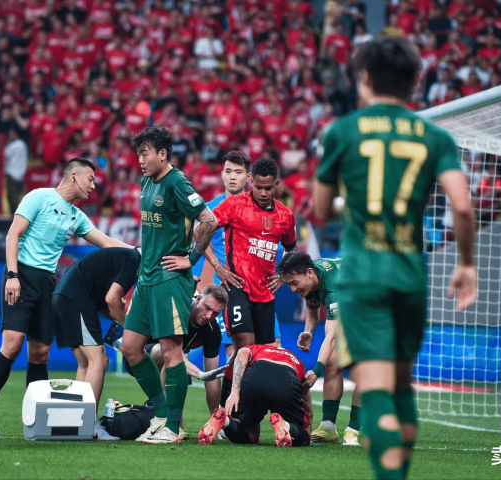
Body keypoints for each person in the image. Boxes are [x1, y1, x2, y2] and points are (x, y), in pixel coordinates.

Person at [314, 37, 477, 480]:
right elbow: (463, 207)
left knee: (374, 390)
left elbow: (321, 209)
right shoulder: (435, 136)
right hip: (410, 275)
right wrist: (466, 264)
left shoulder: (343, 131)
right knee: (402, 386)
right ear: (415, 81)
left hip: (363, 276)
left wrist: (352, 200)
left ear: (364, 78)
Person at [0, 157, 133, 436]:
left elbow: (107, 242)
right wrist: (12, 275)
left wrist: (138, 252)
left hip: (47, 282)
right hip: (20, 275)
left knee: (40, 353)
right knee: (12, 345)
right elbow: (13, 235)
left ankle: (35, 418)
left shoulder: (76, 215)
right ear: (74, 176)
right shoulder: (38, 197)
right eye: (90, 179)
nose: (93, 186)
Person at [119, 126, 218, 444]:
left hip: (169, 280)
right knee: (130, 348)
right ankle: (160, 415)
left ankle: (173, 428)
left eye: (144, 153)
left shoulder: (177, 182)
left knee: (172, 351)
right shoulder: (147, 180)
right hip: (146, 279)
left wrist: (192, 258)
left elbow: (209, 220)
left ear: (163, 154)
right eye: (138, 154)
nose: (140, 160)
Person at [194, 156, 297, 408]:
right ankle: (229, 411)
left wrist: (283, 276)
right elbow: (200, 231)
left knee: (264, 355)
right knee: (244, 348)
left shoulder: (285, 216)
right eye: (258, 187)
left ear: (277, 185)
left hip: (265, 294)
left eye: (268, 188)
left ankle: (247, 413)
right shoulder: (234, 205)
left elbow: (291, 249)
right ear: (252, 182)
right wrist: (219, 267)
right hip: (236, 290)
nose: (262, 193)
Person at [52, 246, 141, 440]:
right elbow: (112, 299)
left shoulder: (121, 259)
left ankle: (75, 421)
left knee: (85, 363)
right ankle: (89, 425)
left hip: (63, 298)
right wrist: (129, 327)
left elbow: (105, 303)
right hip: (76, 300)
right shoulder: (133, 260)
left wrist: (121, 321)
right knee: (99, 360)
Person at [122, 284, 230, 439]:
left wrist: (216, 420)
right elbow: (172, 352)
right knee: (168, 355)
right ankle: (165, 421)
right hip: (140, 358)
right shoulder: (178, 310)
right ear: (198, 299)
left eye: (215, 313)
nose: (208, 316)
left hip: (173, 362)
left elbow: (212, 377)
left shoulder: (212, 330)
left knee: (175, 365)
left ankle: (173, 427)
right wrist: (199, 373)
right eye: (207, 308)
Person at [278, 251, 361, 446]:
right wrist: (308, 331)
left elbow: (331, 336)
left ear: (309, 273)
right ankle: (328, 427)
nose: (292, 289)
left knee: (364, 368)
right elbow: (312, 306)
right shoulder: (311, 278)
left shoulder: (333, 288)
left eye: (294, 283)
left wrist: (316, 371)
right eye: (288, 284)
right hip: (352, 305)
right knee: (332, 362)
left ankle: (353, 430)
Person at [198, 344, 313, 448]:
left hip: (255, 378)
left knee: (250, 437)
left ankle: (225, 422)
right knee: (304, 436)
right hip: (286, 379)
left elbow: (242, 352)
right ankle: (286, 426)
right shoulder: (297, 360)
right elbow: (305, 397)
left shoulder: (259, 348)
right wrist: (308, 429)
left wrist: (235, 392)